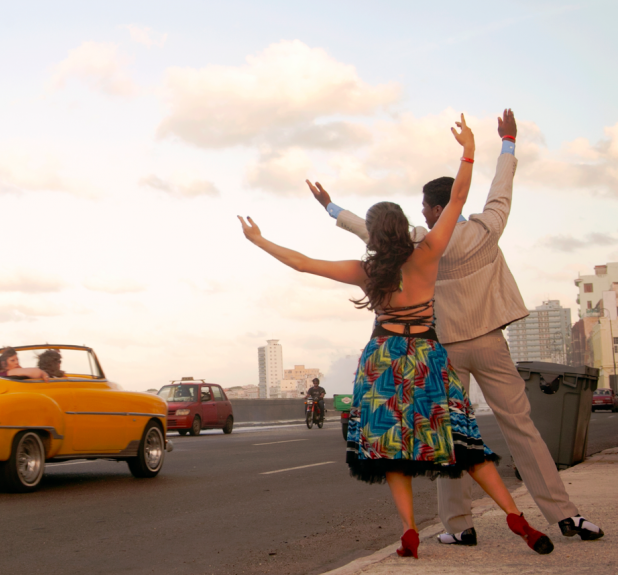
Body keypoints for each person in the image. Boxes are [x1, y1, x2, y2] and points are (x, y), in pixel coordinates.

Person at [240, 114, 553, 559]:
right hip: (427, 354)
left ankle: (408, 529)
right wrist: (469, 152)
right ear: (404, 225)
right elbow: (459, 195)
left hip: (383, 360)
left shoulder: (367, 271)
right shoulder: (427, 254)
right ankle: (514, 515)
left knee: (391, 446)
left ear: (375, 235)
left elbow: (303, 263)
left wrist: (259, 240)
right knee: (460, 438)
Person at [308, 109, 603, 545]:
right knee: (522, 428)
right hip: (489, 343)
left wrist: (331, 207)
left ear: (436, 207)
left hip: (442, 350)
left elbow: (373, 233)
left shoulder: (420, 245)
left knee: (448, 435)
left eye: (426, 206)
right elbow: (501, 191)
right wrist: (508, 143)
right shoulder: (486, 230)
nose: (423, 213)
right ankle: (565, 516)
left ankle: (460, 527)